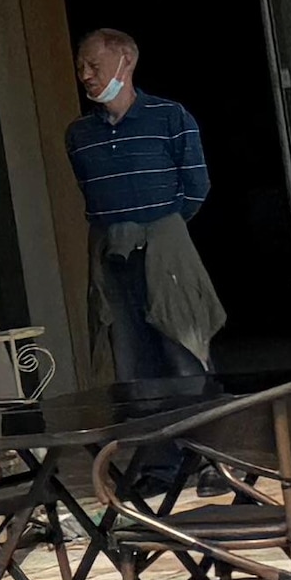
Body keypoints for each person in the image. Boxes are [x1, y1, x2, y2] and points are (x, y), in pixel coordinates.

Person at [64, 25, 224, 415]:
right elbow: (90, 192)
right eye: (81, 66)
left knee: (183, 349)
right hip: (111, 254)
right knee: (129, 360)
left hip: (165, 251)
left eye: (94, 65)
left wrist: (163, 227)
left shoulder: (170, 117)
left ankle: (205, 443)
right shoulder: (79, 134)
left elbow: (197, 186)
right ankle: (151, 450)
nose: (85, 75)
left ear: (127, 60)